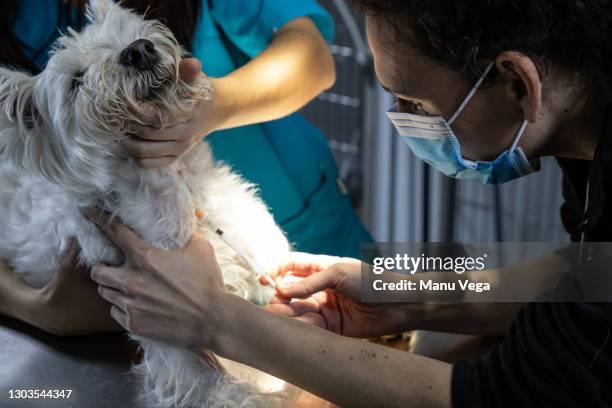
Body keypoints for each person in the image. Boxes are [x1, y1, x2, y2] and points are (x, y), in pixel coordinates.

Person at [83, 0, 612, 406]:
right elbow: (589, 275)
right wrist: (405, 295)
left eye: (416, 103)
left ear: (519, 85)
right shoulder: (584, 129)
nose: (404, 119)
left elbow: (497, 396)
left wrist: (218, 322)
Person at [0, 0, 371, 334]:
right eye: (79, 83)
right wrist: (40, 309)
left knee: (393, 312)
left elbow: (315, 59)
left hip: (316, 235)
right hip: (144, 303)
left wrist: (218, 104)